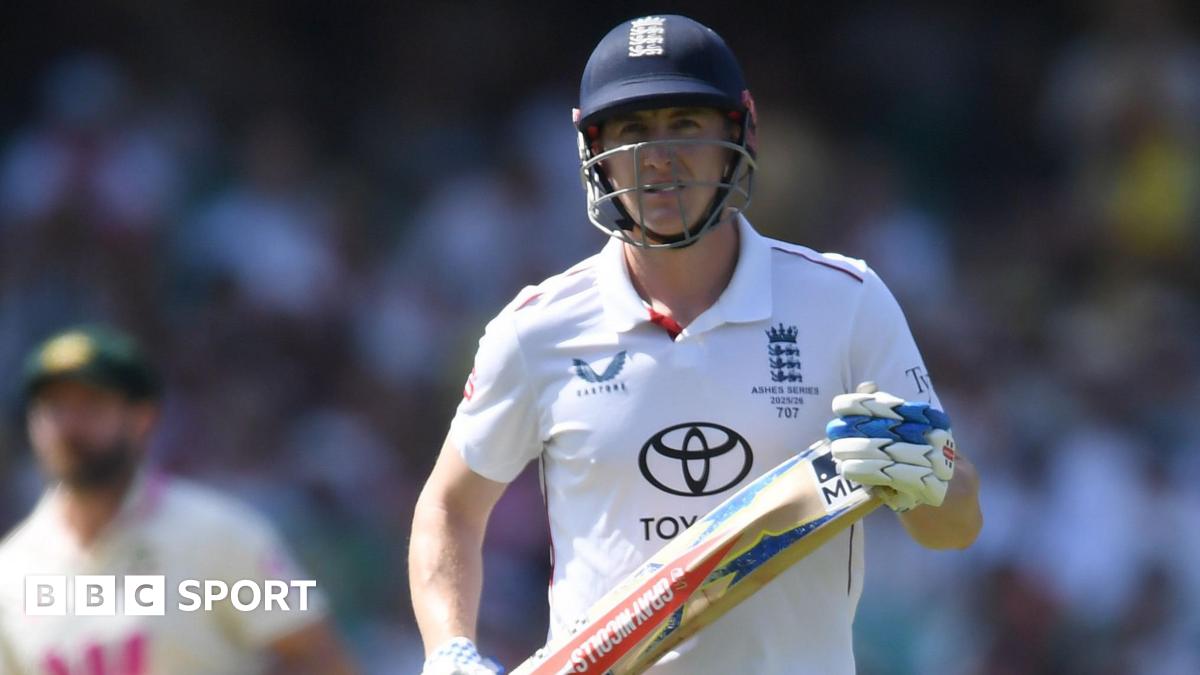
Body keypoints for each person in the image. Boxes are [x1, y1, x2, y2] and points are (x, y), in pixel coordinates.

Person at [409, 14, 982, 675]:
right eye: (631, 131)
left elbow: (956, 527)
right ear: (591, 146)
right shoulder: (538, 329)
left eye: (685, 125)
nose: (658, 157)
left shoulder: (846, 301)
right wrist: (449, 648)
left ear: (741, 129)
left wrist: (931, 474)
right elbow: (448, 507)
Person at [0, 326, 358, 674]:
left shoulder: (219, 535)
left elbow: (320, 659)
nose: (69, 426)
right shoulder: (12, 571)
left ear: (142, 418)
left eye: (92, 404)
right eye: (53, 407)